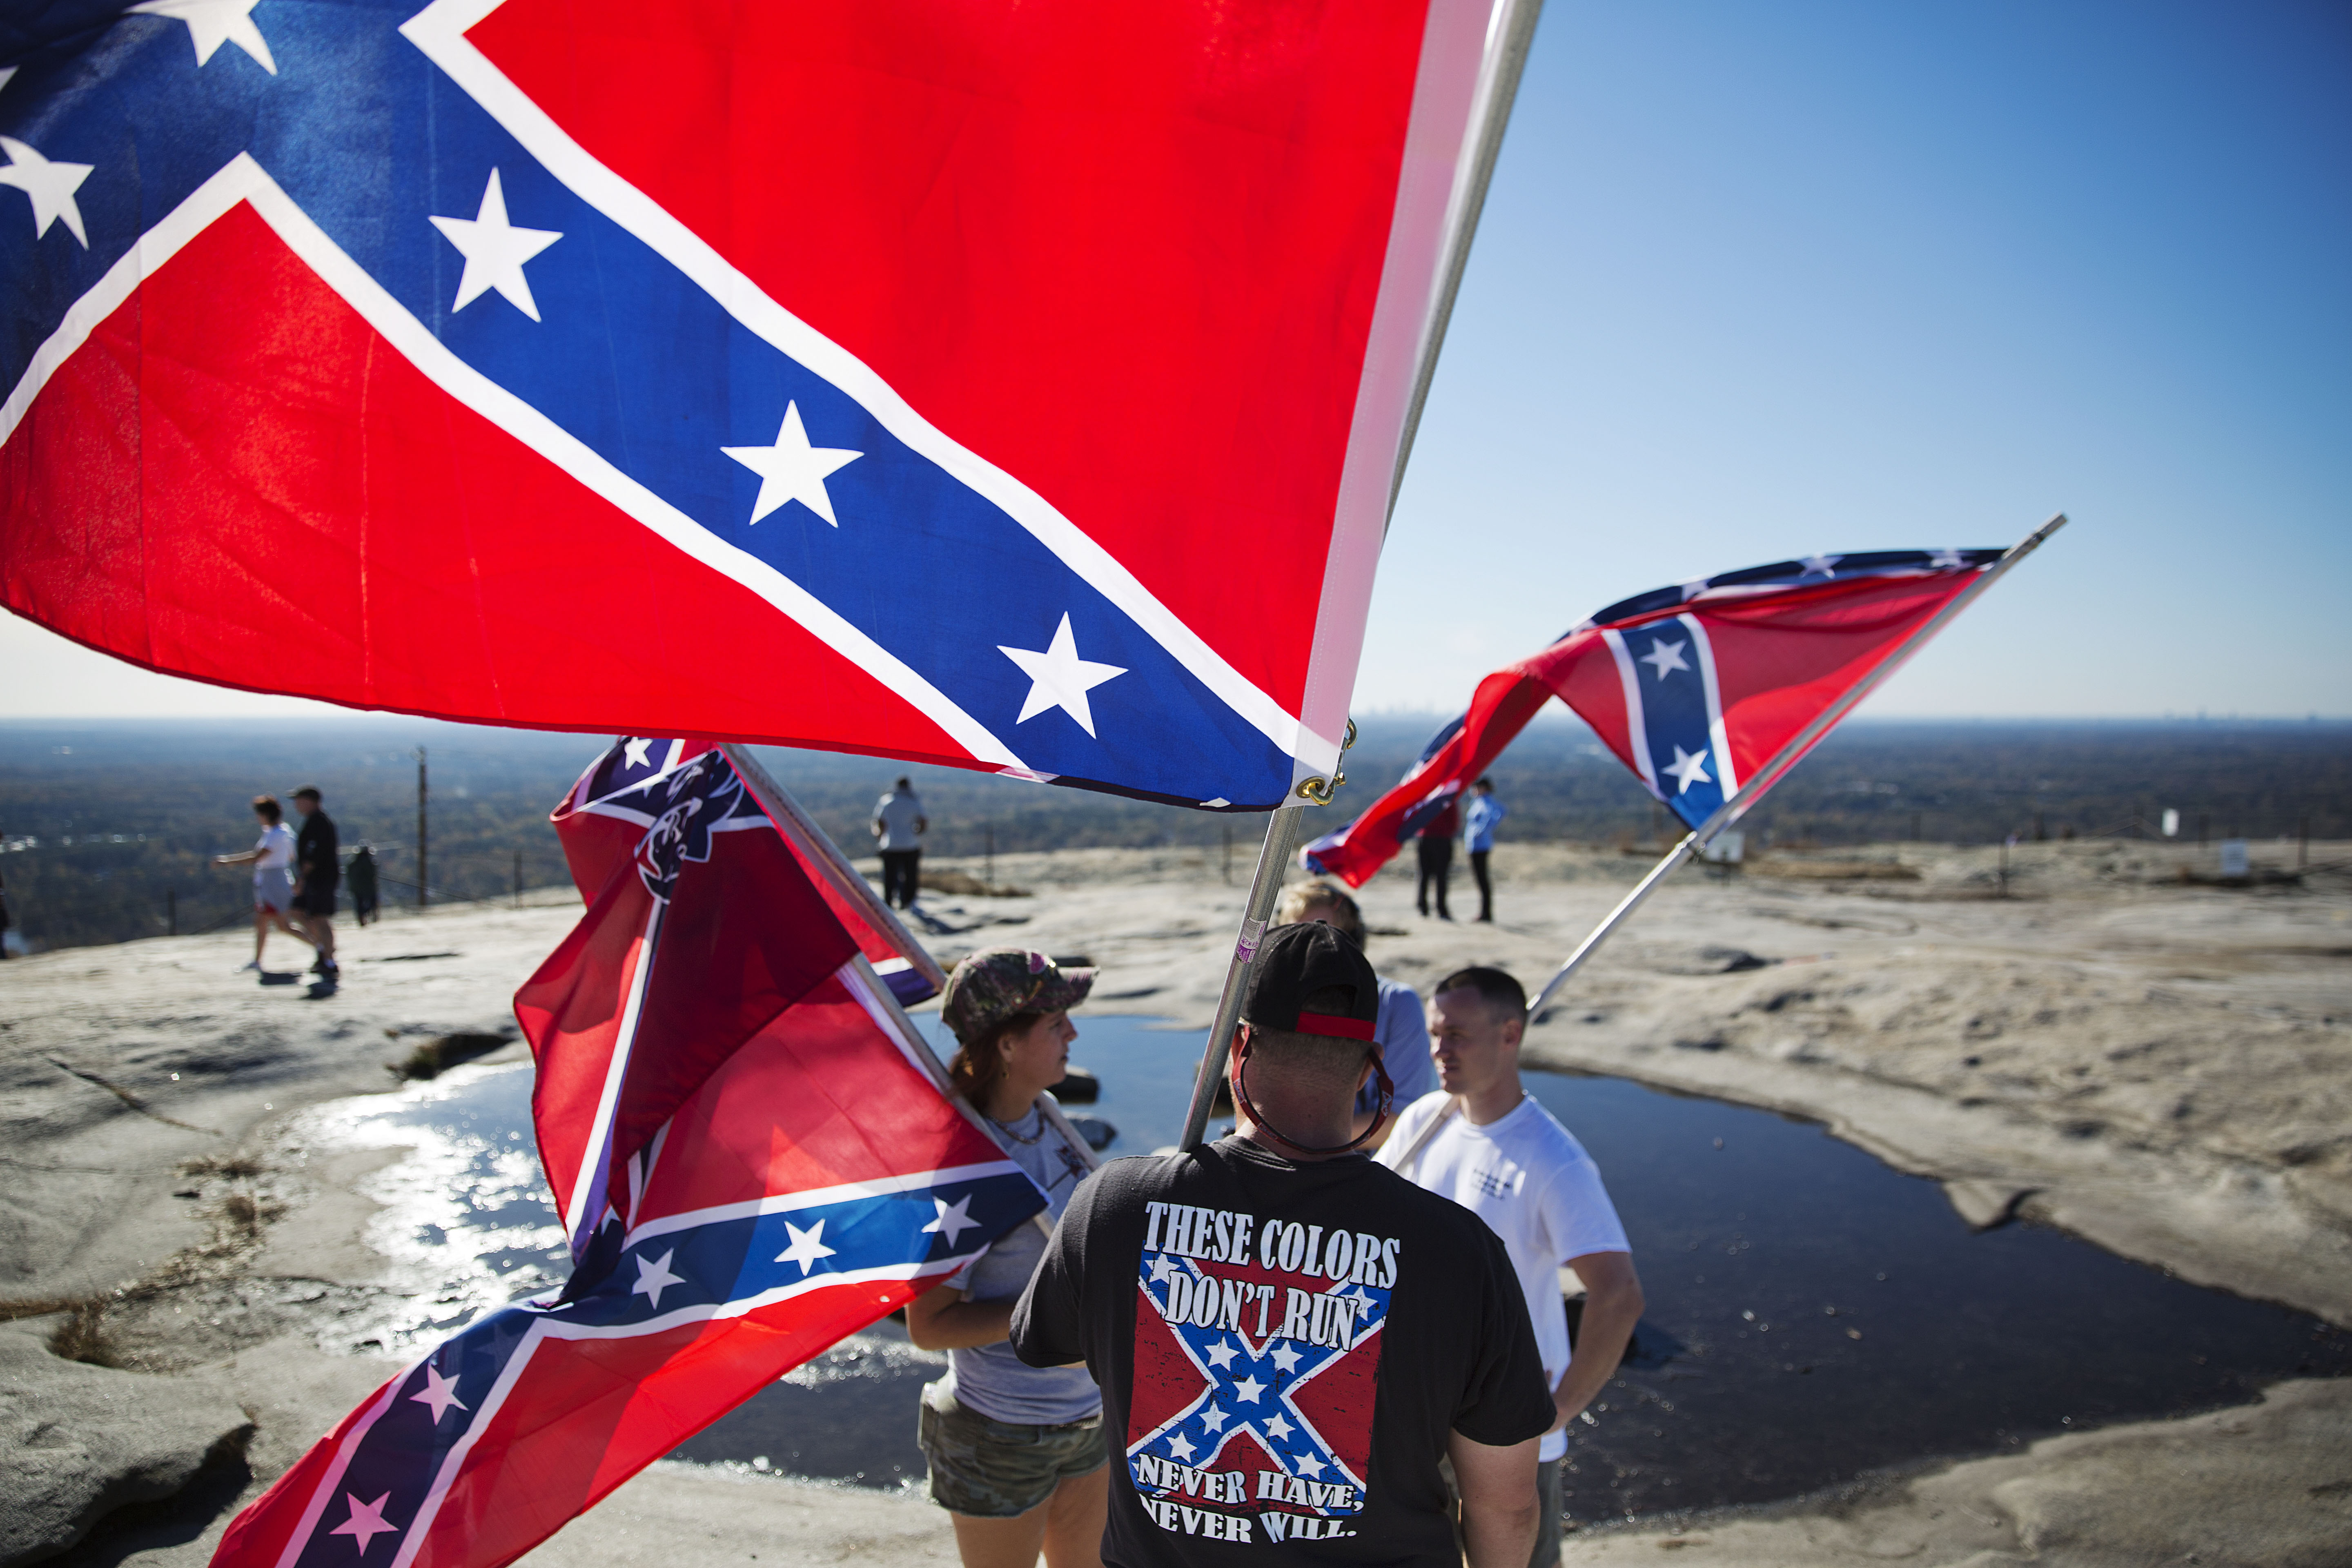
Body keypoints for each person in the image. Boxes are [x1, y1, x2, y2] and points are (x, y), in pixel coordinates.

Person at [1011, 922, 1553, 1567]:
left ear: (1237, 1048)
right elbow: (1506, 1504)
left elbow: (1054, 1349)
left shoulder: (1112, 1205)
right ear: (1370, 1065)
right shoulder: (1461, 1251)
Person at [1376, 967, 1644, 1567]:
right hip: (1421, 1415)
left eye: (1458, 1035)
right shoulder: (1425, 1121)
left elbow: (1620, 1295)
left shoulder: (1551, 1158)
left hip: (1509, 1436)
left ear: (1510, 1035)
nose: (1440, 1050)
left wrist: (1559, 1410)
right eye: (1436, 1033)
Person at [908, 949, 1108, 1568]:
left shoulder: (1046, 1116)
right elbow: (928, 1326)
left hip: (1089, 1419)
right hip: (1000, 1434)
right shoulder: (967, 1166)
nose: (1073, 1034)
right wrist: (1052, 1315)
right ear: (1007, 1045)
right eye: (1055, 1023)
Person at [1274, 879, 1437, 1151]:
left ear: (1354, 942)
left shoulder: (1397, 1003)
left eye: (1322, 937)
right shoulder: (1272, 1002)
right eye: (1296, 937)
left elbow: (1402, 1121)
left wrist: (1299, 1142)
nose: (1310, 951)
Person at [214, 795, 315, 973]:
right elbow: (292, 856)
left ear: (266, 814)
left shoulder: (275, 835)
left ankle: (321, 946)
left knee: (277, 924)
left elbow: (256, 858)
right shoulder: (284, 831)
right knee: (273, 924)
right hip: (277, 879)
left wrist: (226, 862)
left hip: (273, 883)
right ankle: (319, 947)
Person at [290, 786, 340, 981]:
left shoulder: (319, 822)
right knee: (297, 912)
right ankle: (323, 948)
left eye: (299, 800)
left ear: (310, 801)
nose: (296, 805)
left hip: (320, 878)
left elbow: (313, 857)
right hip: (315, 878)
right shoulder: (314, 821)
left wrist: (301, 879)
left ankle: (329, 960)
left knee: (320, 917)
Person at [872, 776, 929, 910]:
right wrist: (917, 832)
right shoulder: (914, 801)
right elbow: (923, 821)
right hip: (910, 845)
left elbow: (879, 822)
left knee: (889, 877)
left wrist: (881, 837)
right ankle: (908, 903)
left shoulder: (886, 801)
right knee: (910, 876)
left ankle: (888, 903)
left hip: (890, 845)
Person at [1462, 777, 1506, 924]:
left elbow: (1497, 814)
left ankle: (1486, 913)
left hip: (1480, 846)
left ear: (1484, 788)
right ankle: (1484, 912)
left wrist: (1480, 831)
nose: (1473, 790)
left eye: (1476, 787)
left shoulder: (1485, 802)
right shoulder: (1478, 801)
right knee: (1480, 879)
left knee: (1482, 879)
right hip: (1475, 845)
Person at [1414, 797, 1458, 920]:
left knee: (1434, 875)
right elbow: (1454, 822)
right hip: (1436, 839)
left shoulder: (1431, 798)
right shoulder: (1444, 798)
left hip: (1434, 838)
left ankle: (1431, 907)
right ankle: (1431, 907)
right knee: (1433, 875)